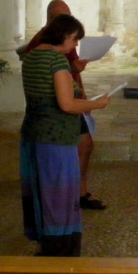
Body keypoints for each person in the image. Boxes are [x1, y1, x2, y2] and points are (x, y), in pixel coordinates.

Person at [20, 14, 110, 256]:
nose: (75, 45)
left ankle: (43, 242)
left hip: (34, 132)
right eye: (74, 39)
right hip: (57, 137)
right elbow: (67, 105)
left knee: (42, 189)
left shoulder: (31, 57)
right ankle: (58, 249)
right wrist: (97, 104)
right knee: (59, 192)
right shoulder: (56, 62)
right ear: (64, 35)